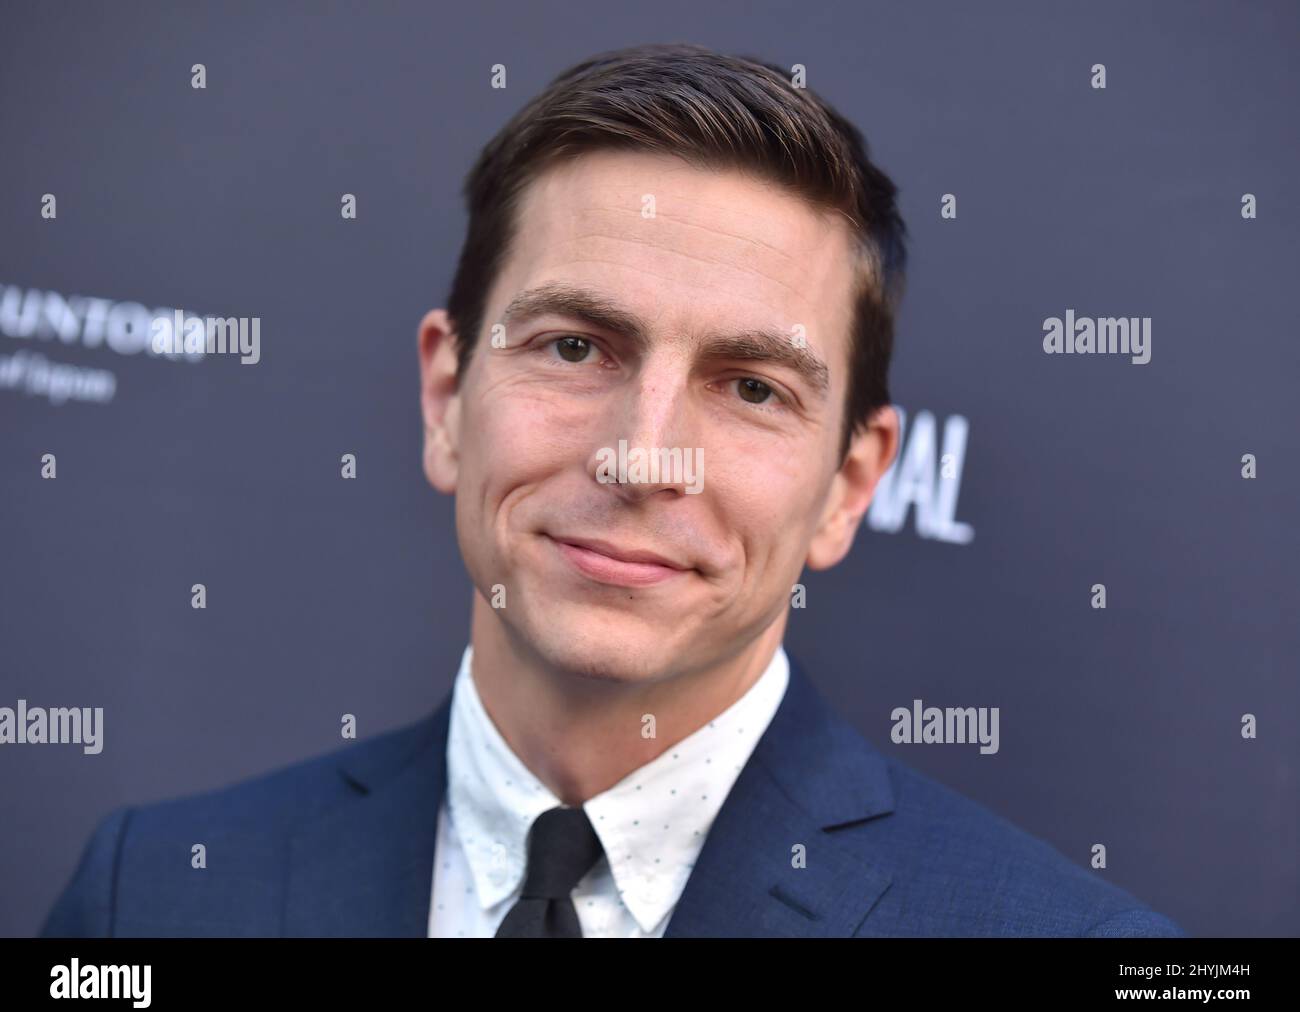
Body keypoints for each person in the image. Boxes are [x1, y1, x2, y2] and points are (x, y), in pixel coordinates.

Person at [42, 42, 1183, 938]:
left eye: (748, 386)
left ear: (848, 485)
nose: (644, 458)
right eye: (576, 348)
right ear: (446, 395)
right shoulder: (155, 891)